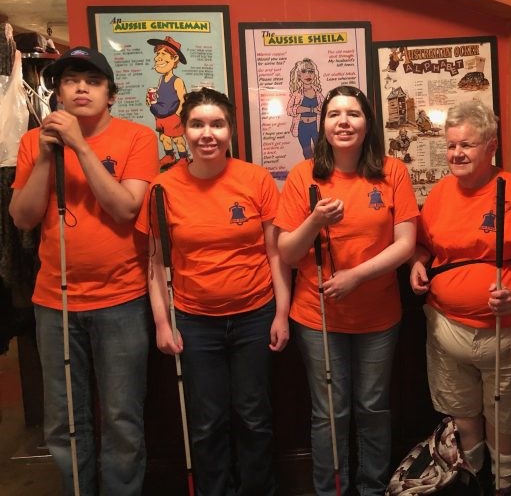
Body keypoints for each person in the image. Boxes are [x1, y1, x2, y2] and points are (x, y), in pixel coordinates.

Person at [9, 46, 158, 495]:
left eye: (91, 81)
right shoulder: (34, 142)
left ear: (110, 95)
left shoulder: (137, 138)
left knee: (121, 419)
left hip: (122, 301)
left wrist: (78, 145)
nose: (80, 88)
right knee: (64, 418)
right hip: (55, 303)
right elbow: (22, 216)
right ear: (56, 93)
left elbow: (126, 208)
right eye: (70, 81)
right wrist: (45, 156)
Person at [136, 87, 291, 496]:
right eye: (198, 124)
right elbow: (154, 263)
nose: (208, 133)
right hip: (194, 321)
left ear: (230, 131)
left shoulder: (255, 179)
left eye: (217, 124)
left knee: (254, 416)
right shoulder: (161, 189)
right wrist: (161, 323)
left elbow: (275, 253)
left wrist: (281, 313)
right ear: (183, 131)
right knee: (206, 422)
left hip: (255, 315)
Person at [275, 85, 418, 496]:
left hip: (378, 317)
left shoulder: (393, 172)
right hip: (317, 317)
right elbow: (286, 251)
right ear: (322, 125)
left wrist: (356, 275)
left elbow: (405, 244)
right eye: (334, 114)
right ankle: (331, 489)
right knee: (329, 414)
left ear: (367, 123)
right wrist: (315, 222)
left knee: (373, 409)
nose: (343, 122)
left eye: (353, 114)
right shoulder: (305, 175)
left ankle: (373, 488)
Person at [409, 100, 511, 495]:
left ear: (491, 146)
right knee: (463, 415)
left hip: (510, 332)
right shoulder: (438, 195)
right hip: (446, 331)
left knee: (505, 420)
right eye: (451, 145)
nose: (457, 153)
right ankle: (469, 480)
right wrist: (417, 264)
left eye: (467, 145)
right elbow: (424, 246)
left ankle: (504, 485)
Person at [146, 36, 189, 166]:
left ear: (174, 59)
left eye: (163, 54)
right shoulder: (160, 79)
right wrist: (151, 100)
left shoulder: (177, 81)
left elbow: (183, 100)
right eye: (158, 53)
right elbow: (160, 95)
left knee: (177, 139)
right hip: (160, 115)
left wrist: (178, 116)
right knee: (164, 137)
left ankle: (183, 158)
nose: (157, 58)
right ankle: (169, 156)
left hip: (173, 116)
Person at [287, 58, 324, 159]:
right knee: (307, 153)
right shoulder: (297, 94)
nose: (308, 75)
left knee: (320, 153)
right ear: (298, 75)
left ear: (314, 75)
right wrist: (311, 110)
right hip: (302, 127)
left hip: (316, 127)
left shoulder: (319, 94)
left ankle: (320, 172)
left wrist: (322, 109)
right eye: (304, 71)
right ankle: (309, 173)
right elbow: (289, 110)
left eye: (311, 71)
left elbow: (325, 109)